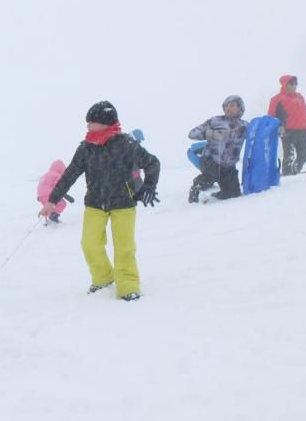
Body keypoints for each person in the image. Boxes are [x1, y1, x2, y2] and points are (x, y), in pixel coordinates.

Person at [38, 101, 160, 301]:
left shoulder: (126, 144)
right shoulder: (86, 148)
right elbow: (69, 175)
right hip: (95, 203)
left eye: (91, 122)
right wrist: (52, 201)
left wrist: (149, 185)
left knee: (124, 247)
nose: (88, 126)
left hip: (123, 204)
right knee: (89, 244)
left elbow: (153, 163)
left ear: (105, 123)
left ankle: (128, 284)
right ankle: (103, 278)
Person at [187, 95, 249, 202]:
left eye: (232, 105)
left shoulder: (244, 126)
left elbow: (259, 134)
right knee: (213, 174)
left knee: (234, 194)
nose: (228, 108)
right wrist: (212, 134)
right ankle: (196, 189)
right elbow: (192, 134)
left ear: (240, 108)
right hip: (211, 160)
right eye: (226, 106)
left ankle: (218, 195)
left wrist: (277, 131)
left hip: (229, 166)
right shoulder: (215, 121)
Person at [267, 74, 306, 175]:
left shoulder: (300, 97)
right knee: (289, 156)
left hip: (303, 131)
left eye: (296, 83)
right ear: (285, 85)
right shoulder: (276, 99)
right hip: (288, 132)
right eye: (292, 83)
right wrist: (278, 129)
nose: (294, 86)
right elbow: (271, 117)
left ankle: (294, 171)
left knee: (304, 155)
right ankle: (287, 174)